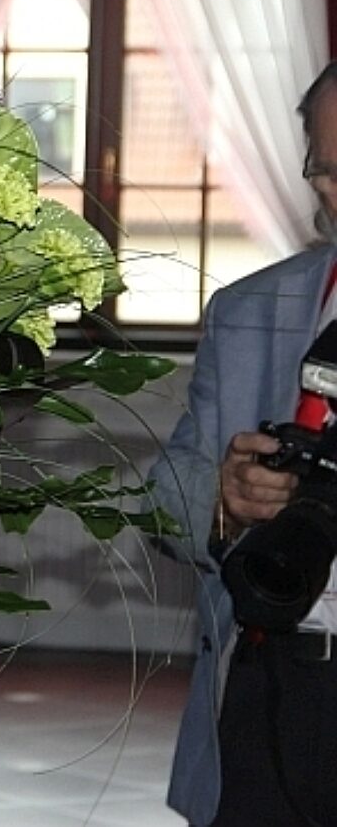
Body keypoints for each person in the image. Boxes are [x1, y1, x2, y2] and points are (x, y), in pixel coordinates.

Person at [148, 62, 337, 826]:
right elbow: (162, 498)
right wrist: (224, 502)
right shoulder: (250, 309)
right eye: (330, 172)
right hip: (265, 689)